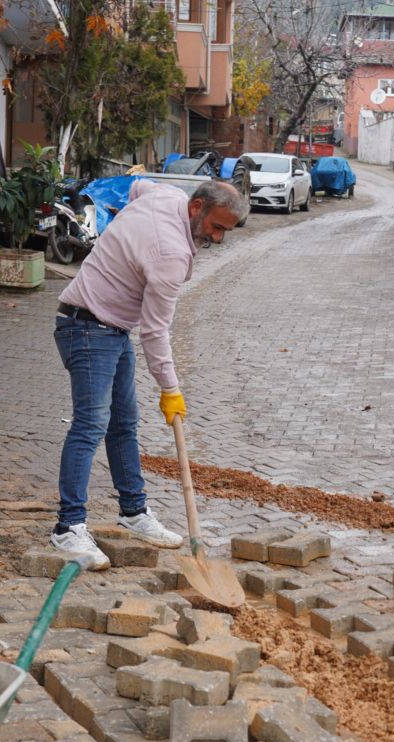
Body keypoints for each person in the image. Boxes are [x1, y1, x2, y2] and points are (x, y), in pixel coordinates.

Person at [49, 179, 246, 569]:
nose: (218, 238)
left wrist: (125, 237)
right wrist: (170, 388)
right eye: (216, 227)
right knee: (91, 425)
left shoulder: (166, 195)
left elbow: (136, 187)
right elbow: (155, 331)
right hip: (87, 329)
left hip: (111, 327)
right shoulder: (170, 253)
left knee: (123, 425)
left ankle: (134, 512)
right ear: (197, 207)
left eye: (224, 230)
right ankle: (68, 527)